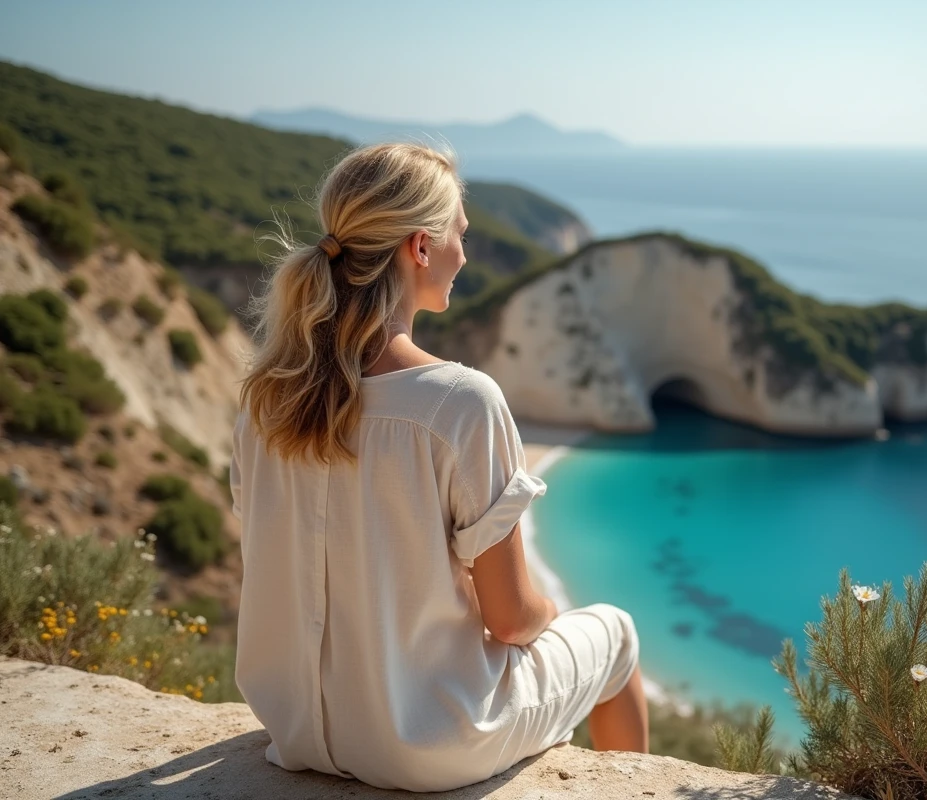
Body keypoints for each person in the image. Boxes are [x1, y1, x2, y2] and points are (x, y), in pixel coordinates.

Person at [230, 142, 648, 792]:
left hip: (298, 729)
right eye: (460, 234)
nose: (465, 254)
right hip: (428, 744)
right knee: (615, 634)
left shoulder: (264, 398)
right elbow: (509, 620)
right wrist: (547, 618)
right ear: (420, 247)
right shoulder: (460, 402)